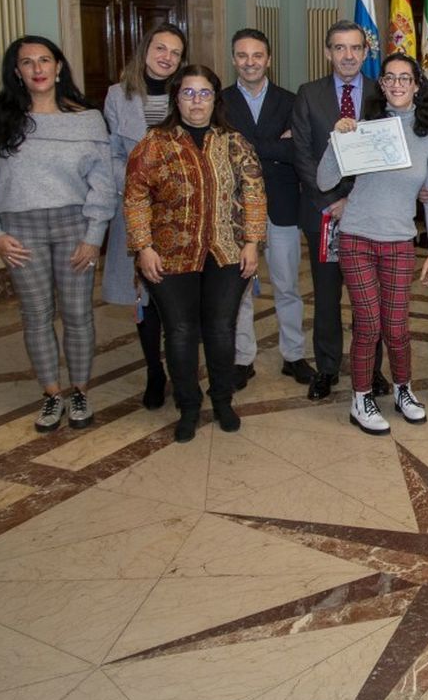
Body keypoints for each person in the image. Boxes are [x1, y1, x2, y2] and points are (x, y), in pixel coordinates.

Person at [0, 36, 116, 432]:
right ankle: (52, 395)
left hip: (75, 226)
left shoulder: (87, 118)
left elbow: (103, 184)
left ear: (59, 67)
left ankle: (79, 391)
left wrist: (94, 235)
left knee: (78, 314)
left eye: (45, 60)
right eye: (28, 62)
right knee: (36, 315)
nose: (37, 68)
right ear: (16, 71)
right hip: (19, 231)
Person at [124, 65, 265, 442]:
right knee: (181, 332)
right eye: (188, 93)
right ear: (176, 98)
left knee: (221, 330)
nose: (196, 101)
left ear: (215, 99)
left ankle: (222, 400)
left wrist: (252, 242)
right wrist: (143, 247)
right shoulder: (154, 143)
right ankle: (188, 405)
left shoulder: (234, 142)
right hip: (169, 255)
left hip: (227, 252)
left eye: (204, 93)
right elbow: (136, 197)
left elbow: (253, 193)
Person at [319, 53, 428, 435]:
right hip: (357, 235)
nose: (397, 84)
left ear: (417, 85)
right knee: (369, 323)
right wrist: (337, 140)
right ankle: (361, 397)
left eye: (405, 78)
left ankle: (403, 390)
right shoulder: (362, 128)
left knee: (396, 325)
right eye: (390, 77)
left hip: (400, 241)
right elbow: (325, 181)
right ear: (382, 84)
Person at [221, 28, 313, 390]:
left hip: (283, 207)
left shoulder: (292, 101)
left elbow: (298, 152)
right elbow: (222, 154)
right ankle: (243, 358)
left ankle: (294, 355)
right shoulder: (221, 102)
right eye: (242, 56)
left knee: (288, 285)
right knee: (239, 289)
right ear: (233, 60)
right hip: (236, 211)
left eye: (257, 55)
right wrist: (275, 144)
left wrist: (250, 147)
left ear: (269, 59)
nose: (250, 62)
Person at [103, 22, 186, 410]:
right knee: (146, 297)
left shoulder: (187, 93)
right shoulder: (117, 97)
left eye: (175, 52)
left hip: (179, 213)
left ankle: (182, 368)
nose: (167, 57)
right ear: (145, 50)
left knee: (179, 297)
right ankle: (155, 371)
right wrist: (138, 184)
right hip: (135, 210)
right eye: (160, 49)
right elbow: (111, 155)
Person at [292, 21, 372, 402]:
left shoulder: (380, 93)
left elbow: (385, 155)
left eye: (355, 48)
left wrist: (352, 201)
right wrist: (330, 201)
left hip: (367, 212)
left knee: (366, 298)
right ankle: (326, 369)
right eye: (339, 48)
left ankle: (370, 370)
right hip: (322, 212)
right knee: (326, 297)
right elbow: (303, 155)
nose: (348, 55)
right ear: (327, 53)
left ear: (365, 52)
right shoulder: (308, 95)